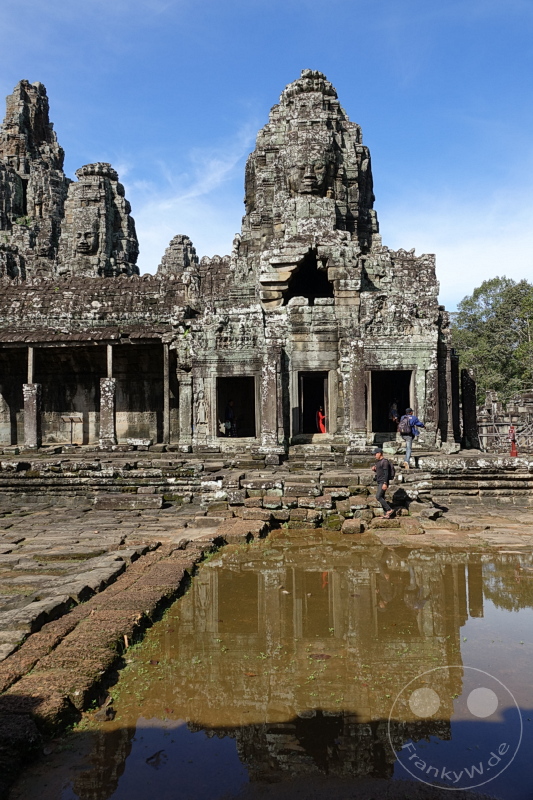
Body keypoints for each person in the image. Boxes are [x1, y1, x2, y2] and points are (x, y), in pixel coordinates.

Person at [371, 447, 394, 519]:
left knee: (378, 496)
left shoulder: (385, 462)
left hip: (383, 482)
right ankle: (386, 514)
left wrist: (385, 483)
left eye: (375, 454)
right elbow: (380, 472)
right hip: (379, 481)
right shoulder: (379, 462)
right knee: (382, 497)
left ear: (379, 453)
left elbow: (386, 473)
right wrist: (375, 469)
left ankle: (389, 509)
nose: (375, 456)